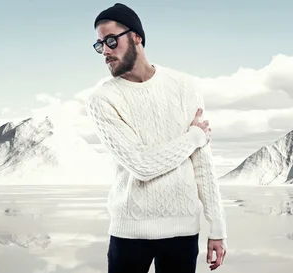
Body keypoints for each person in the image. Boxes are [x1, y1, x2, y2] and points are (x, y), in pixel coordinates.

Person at [84, 3, 227, 272]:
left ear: (136, 36)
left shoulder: (186, 86)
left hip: (183, 231)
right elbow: (142, 165)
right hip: (129, 234)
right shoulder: (102, 100)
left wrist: (217, 228)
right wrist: (194, 137)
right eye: (99, 45)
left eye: (111, 41)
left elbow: (203, 165)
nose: (105, 51)